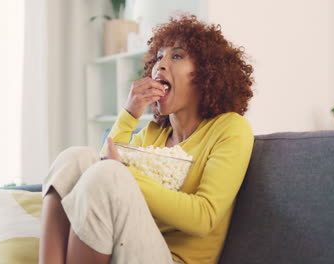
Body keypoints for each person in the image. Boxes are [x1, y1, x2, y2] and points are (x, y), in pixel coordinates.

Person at [39, 13, 255, 264]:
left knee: (109, 172)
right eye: (159, 56)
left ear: (209, 73)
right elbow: (99, 180)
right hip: (125, 248)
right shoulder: (153, 134)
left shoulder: (229, 128)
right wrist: (129, 114)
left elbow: (204, 217)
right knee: (75, 158)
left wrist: (123, 173)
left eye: (177, 55)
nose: (160, 65)